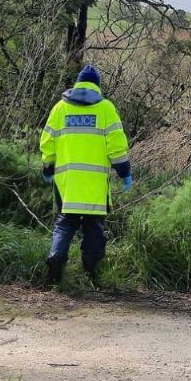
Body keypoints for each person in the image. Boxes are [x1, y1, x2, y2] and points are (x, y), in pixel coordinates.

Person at [39, 64, 132, 285]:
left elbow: (47, 142)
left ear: (77, 85)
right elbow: (117, 148)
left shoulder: (60, 108)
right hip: (94, 186)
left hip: (67, 185)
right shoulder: (106, 109)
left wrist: (47, 169)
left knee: (64, 223)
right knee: (94, 229)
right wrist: (124, 173)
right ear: (96, 86)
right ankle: (91, 275)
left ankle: (55, 261)